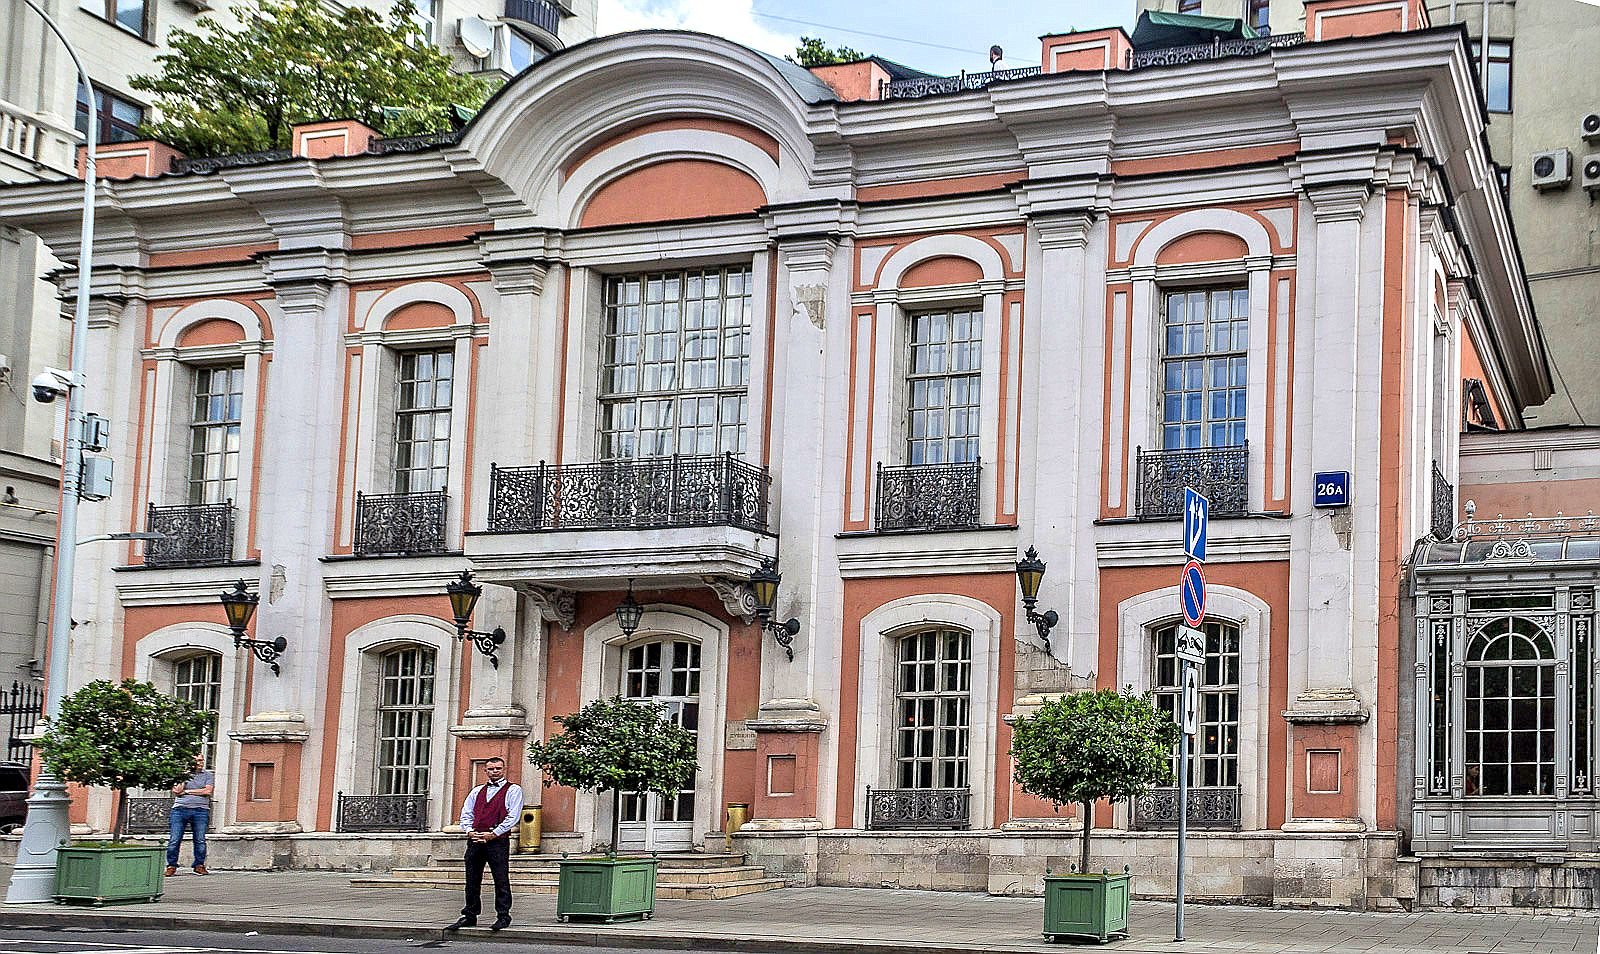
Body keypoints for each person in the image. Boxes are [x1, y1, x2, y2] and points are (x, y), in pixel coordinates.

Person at [445, 756, 524, 932]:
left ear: (504, 769)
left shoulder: (513, 790)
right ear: (485, 770)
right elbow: (466, 813)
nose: (495, 771)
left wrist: (493, 834)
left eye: (498, 768)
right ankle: (470, 914)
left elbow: (513, 816)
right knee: (471, 879)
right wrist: (469, 831)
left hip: (497, 841)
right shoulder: (477, 791)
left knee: (500, 879)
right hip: (475, 840)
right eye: (491, 769)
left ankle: (503, 916)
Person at [165, 752, 214, 876]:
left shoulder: (208, 775)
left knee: (200, 840)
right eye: (197, 761)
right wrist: (184, 776)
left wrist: (187, 792)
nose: (200, 763)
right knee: (174, 839)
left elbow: (207, 791)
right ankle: (171, 865)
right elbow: (177, 790)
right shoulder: (181, 775)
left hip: (200, 810)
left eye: (201, 760)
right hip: (180, 810)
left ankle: (199, 865)